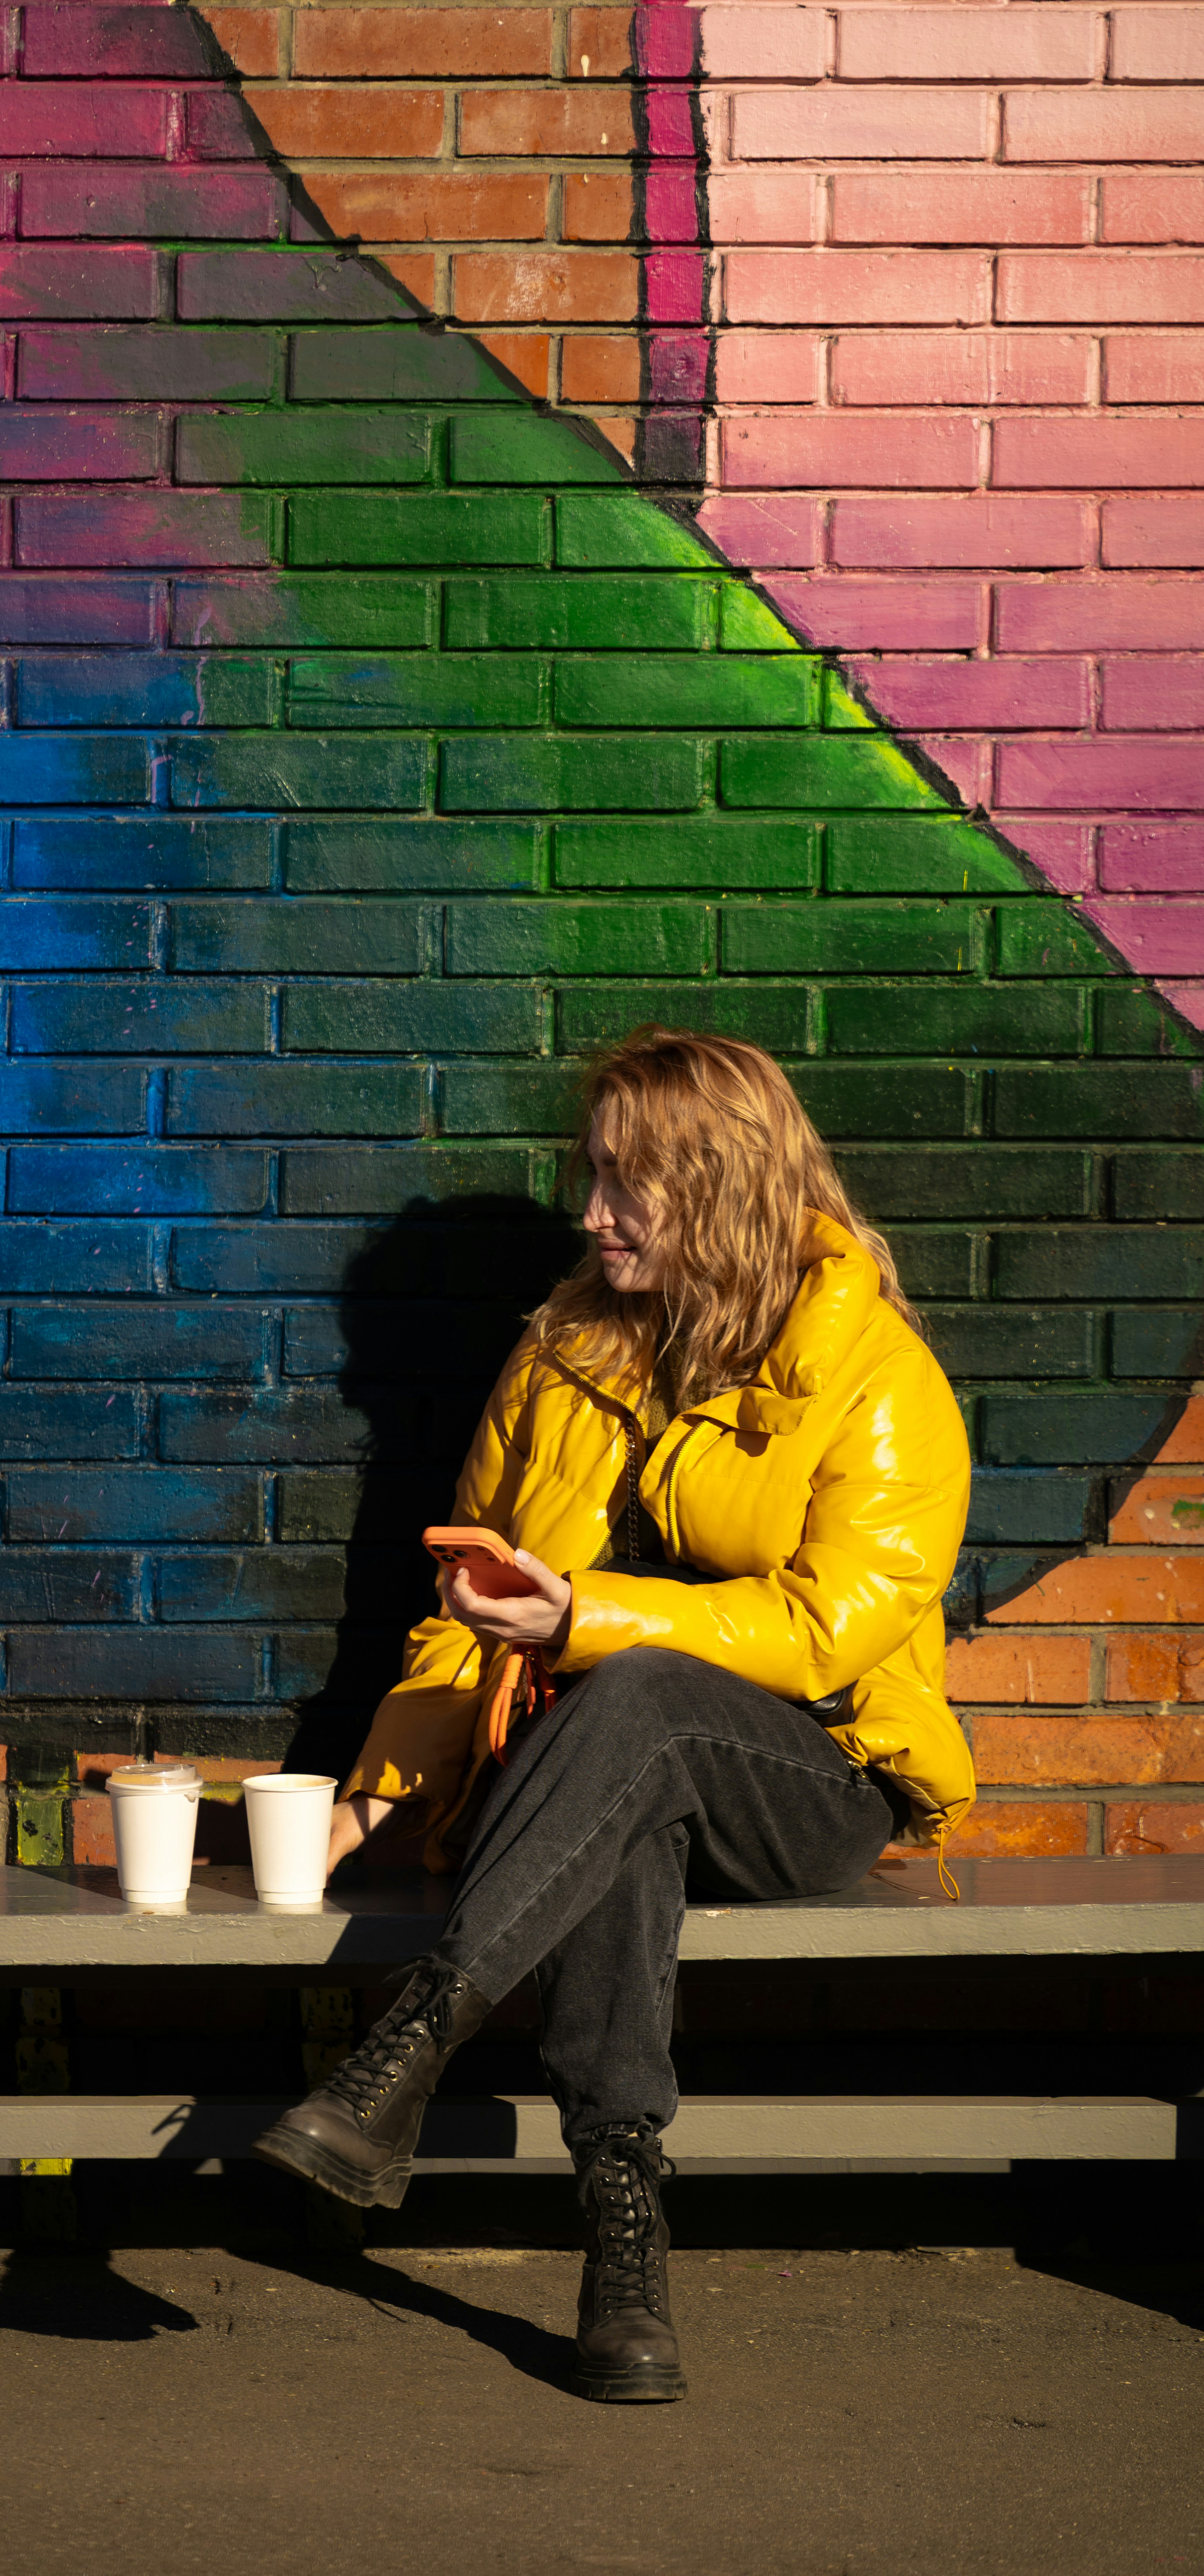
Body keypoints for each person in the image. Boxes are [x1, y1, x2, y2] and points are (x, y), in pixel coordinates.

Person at [254, 1026, 974, 2404]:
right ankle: (622, 2240)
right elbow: (462, 1613)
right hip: (593, 1780)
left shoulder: (876, 1381)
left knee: (634, 1692)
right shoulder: (561, 1354)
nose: (589, 1214)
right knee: (623, 1806)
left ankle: (410, 2044)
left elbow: (832, 1630)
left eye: (622, 1183)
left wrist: (589, 1617)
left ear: (719, 1185)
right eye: (590, 1174)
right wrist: (373, 1795)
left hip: (812, 1780)